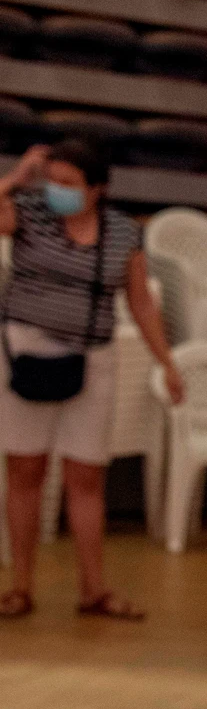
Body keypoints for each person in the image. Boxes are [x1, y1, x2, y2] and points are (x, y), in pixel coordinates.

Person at [0, 139, 182, 620]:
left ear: (97, 188)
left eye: (68, 183)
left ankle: (93, 589)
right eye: (52, 180)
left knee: (87, 475)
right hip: (24, 357)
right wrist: (17, 180)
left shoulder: (122, 233)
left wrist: (166, 360)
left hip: (93, 360)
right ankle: (19, 586)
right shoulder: (29, 212)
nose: (56, 190)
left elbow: (141, 302)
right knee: (25, 472)